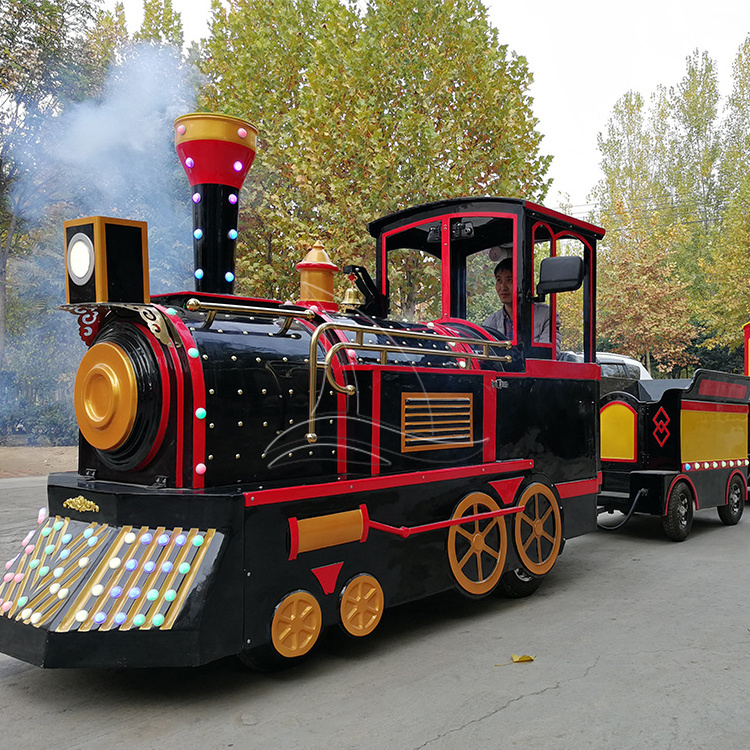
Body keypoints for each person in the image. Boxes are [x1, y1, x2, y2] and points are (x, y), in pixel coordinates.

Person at [483, 258, 561, 348]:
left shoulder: (546, 315)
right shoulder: (490, 323)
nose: (503, 287)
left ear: (522, 284)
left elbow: (548, 354)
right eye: (499, 281)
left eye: (510, 280)